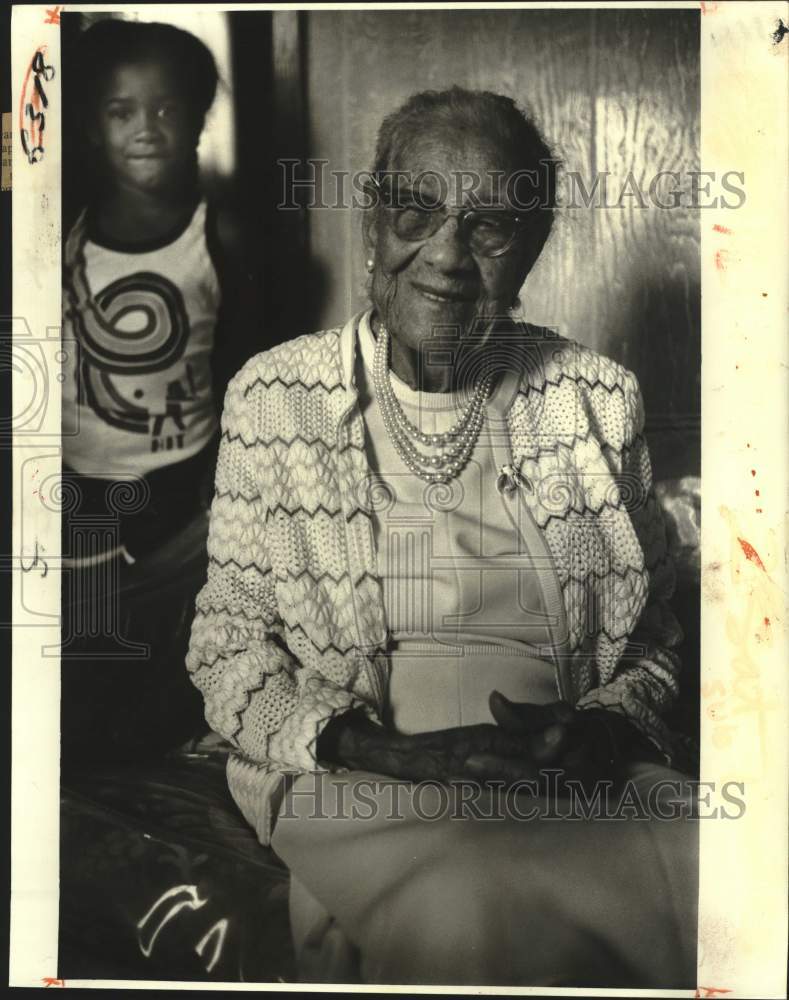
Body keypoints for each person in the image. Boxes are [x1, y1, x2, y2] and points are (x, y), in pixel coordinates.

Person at [186, 87, 698, 987]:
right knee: (474, 905)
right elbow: (225, 645)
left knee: (725, 870)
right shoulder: (277, 398)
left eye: (491, 228)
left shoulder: (594, 400)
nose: (447, 257)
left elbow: (651, 637)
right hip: (362, 776)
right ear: (372, 225)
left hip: (571, 774)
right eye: (414, 211)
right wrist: (376, 748)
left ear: (531, 249)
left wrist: (602, 733)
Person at [62, 18, 253, 562]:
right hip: (78, 483)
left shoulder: (219, 235)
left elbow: (241, 363)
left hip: (182, 481)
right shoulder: (64, 235)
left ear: (197, 120)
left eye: (166, 110)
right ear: (94, 127)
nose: (146, 129)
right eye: (122, 112)